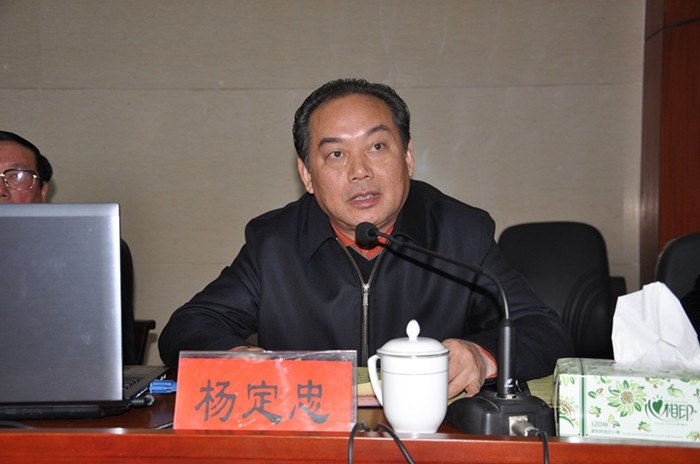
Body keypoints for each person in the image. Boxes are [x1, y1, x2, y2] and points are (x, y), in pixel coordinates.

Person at [158, 79, 574, 398]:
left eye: (377, 146)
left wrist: (480, 357)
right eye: (336, 154)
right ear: (307, 174)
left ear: (407, 156)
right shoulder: (274, 243)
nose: (360, 171)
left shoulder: (460, 232)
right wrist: (233, 357)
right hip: (312, 440)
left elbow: (544, 330)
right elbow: (188, 326)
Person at [0, 130, 138, 365]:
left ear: (43, 190)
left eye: (17, 176)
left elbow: (107, 357)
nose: (1, 190)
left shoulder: (89, 256)